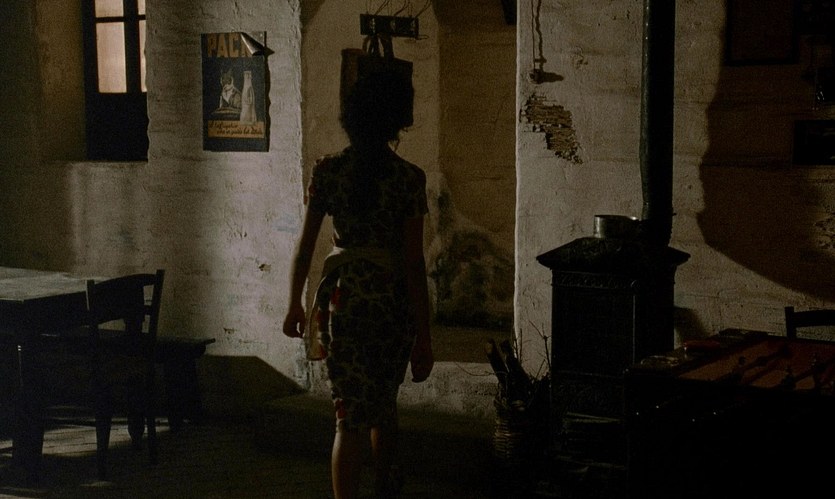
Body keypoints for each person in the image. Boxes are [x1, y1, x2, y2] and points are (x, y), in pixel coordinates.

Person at [282, 67, 433, 499]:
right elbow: (413, 264)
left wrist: (295, 304)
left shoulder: (328, 171)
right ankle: (385, 485)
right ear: (395, 121)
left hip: (342, 301)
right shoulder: (408, 178)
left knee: (347, 418)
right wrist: (424, 335)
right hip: (390, 302)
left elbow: (305, 247)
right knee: (383, 405)